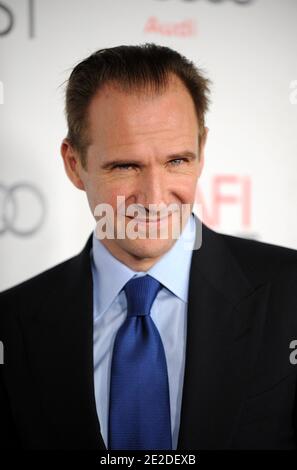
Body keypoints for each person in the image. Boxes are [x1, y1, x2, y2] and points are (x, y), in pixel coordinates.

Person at [0, 43, 297, 451]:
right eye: (125, 166)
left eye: (176, 161)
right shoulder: (11, 324)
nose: (155, 197)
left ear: (202, 150)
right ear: (74, 164)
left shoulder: (290, 295)